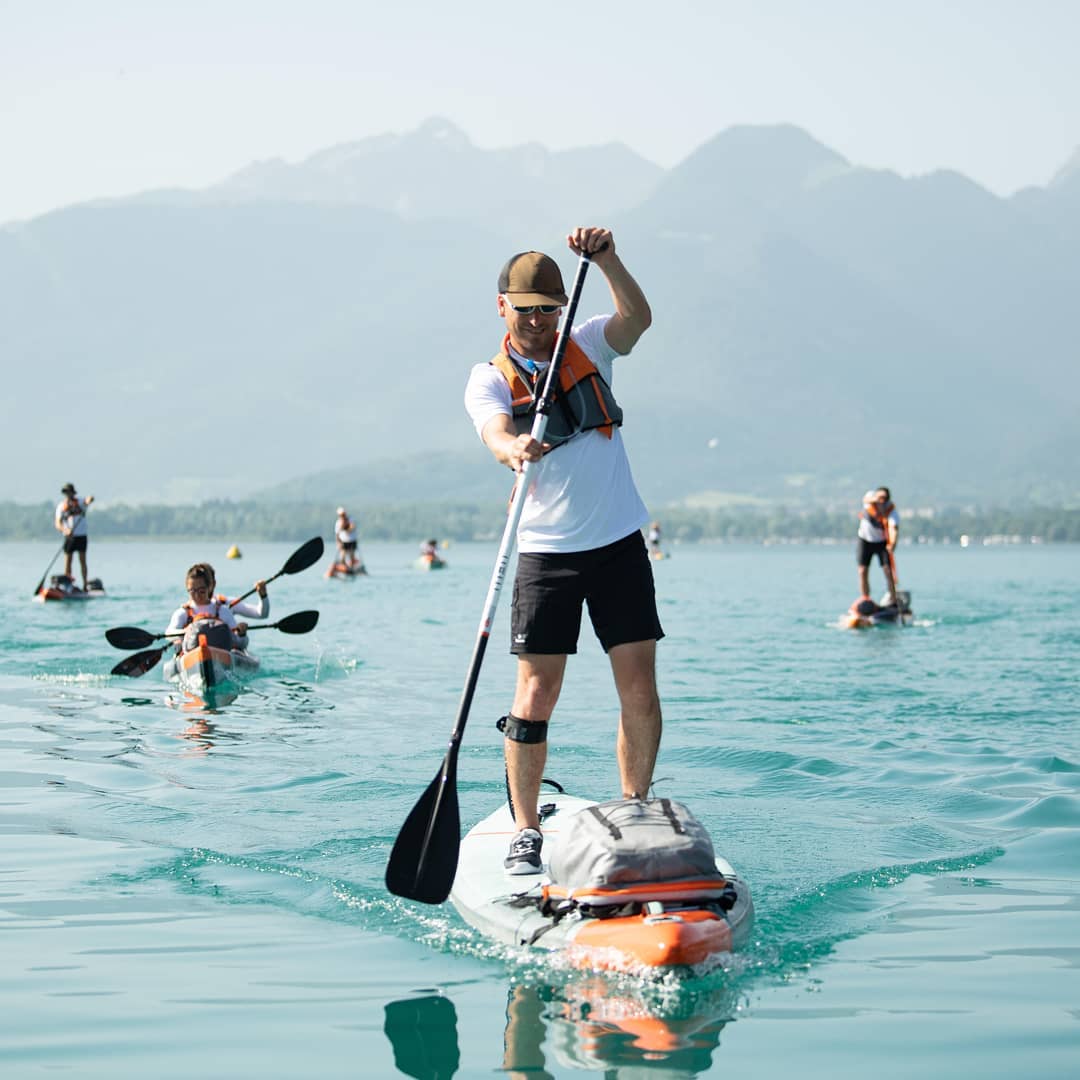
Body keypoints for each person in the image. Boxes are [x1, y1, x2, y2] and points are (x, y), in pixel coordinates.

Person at [463, 226, 662, 874]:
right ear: (503, 308)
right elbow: (494, 432)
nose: (540, 322)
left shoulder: (590, 344)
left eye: (549, 310)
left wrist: (606, 260)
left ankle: (634, 806)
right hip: (547, 553)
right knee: (535, 693)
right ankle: (526, 829)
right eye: (526, 311)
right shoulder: (488, 378)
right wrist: (512, 447)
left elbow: (639, 319)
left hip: (619, 544)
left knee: (637, 683)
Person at [166, 562, 269, 651]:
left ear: (209, 587)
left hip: (222, 654)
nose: (197, 595)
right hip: (192, 654)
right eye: (192, 591)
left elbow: (240, 643)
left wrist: (242, 634)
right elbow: (168, 634)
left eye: (201, 591)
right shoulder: (182, 613)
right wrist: (186, 631)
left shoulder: (224, 611)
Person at [856, 487, 899, 605]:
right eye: (879, 498)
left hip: (882, 543)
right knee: (862, 570)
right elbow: (866, 498)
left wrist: (893, 544)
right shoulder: (869, 500)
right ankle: (865, 598)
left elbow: (893, 529)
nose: (881, 501)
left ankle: (893, 598)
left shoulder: (891, 512)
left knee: (887, 570)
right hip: (865, 540)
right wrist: (876, 498)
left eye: (884, 499)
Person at [54, 483, 94, 590]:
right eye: (66, 492)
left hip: (81, 536)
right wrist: (65, 530)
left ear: (73, 493)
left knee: (82, 561)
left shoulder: (80, 502)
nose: (68, 494)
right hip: (69, 537)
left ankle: (85, 585)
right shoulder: (61, 506)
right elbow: (57, 523)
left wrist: (90, 499)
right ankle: (68, 585)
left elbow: (88, 500)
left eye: (69, 492)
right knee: (68, 562)